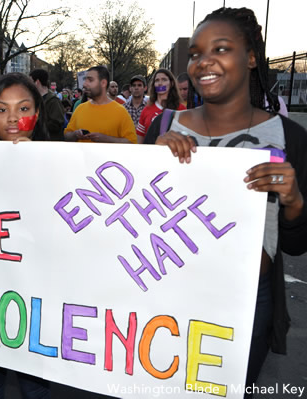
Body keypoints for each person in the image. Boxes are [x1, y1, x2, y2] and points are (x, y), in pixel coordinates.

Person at [143, 8, 307, 398]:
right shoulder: (163, 127)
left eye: (221, 48)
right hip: (167, 294)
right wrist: (150, 160)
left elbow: (298, 246)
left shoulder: (290, 137)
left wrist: (295, 201)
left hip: (248, 301)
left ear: (251, 57)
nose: (204, 62)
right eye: (196, 53)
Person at [0, 72, 50, 398]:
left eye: (23, 109)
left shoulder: (63, 165)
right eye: (1, 109)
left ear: (37, 112)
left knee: (34, 387)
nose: (12, 119)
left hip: (36, 300)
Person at [64, 66, 137, 144]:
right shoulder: (80, 109)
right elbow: (66, 135)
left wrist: (107, 139)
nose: (85, 84)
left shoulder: (120, 111)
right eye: (85, 80)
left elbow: (132, 142)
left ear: (103, 83)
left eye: (90, 80)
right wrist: (75, 134)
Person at [136, 68, 186, 143]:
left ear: (171, 83)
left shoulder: (181, 109)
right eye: (157, 80)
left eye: (164, 80)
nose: (160, 83)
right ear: (154, 85)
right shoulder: (146, 110)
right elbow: (140, 141)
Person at [29, 68, 66, 141]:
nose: (29, 85)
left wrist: (36, 122)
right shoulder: (34, 99)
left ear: (37, 82)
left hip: (50, 143)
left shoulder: (53, 101)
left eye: (30, 82)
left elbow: (57, 124)